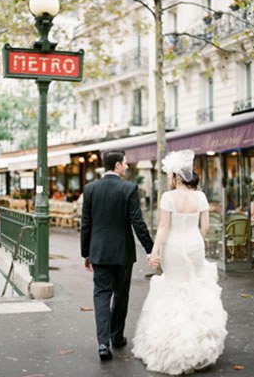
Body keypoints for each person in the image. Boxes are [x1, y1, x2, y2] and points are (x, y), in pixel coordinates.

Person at [132, 150, 228, 374]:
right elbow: (204, 227)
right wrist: (196, 242)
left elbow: (164, 227)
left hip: (173, 247)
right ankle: (200, 345)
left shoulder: (168, 197)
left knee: (174, 287)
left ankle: (172, 346)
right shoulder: (201, 197)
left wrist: (154, 252)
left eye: (169, 175)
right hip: (195, 245)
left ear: (176, 176)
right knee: (194, 286)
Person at [80, 150, 155, 361]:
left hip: (99, 252)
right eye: (125, 164)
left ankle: (103, 343)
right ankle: (117, 336)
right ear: (117, 166)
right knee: (121, 295)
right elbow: (137, 222)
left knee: (101, 295)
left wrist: (86, 253)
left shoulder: (90, 189)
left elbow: (86, 224)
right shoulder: (129, 189)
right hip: (123, 253)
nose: (127, 167)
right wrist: (150, 248)